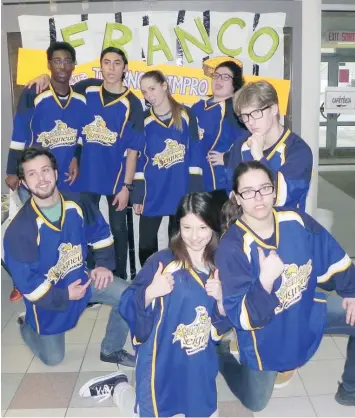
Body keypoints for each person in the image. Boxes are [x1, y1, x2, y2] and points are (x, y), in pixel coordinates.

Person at [215, 160, 355, 411]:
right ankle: (222, 356)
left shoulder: (295, 219)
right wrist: (266, 280)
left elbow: (329, 252)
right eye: (248, 192)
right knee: (256, 402)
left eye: (265, 188)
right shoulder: (231, 247)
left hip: (304, 311)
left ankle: (350, 389)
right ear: (237, 198)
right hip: (266, 335)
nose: (258, 198)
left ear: (274, 191)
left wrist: (351, 290)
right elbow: (244, 316)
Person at [3, 148, 135, 367]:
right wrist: (65, 296)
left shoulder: (78, 202)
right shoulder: (19, 231)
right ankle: (27, 325)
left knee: (129, 294)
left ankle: (111, 349)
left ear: (56, 173)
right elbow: (30, 286)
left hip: (80, 279)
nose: (41, 178)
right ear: (24, 183)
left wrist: (102, 265)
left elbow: (101, 233)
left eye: (45, 170)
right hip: (49, 296)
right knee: (54, 358)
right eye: (32, 174)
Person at [27, 47, 144, 281]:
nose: (111, 68)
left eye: (117, 63)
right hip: (84, 177)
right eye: (107, 62)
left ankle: (118, 279)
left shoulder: (133, 103)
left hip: (115, 180)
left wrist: (127, 187)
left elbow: (133, 151)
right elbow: (59, 85)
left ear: (125, 67)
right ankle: (89, 277)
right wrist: (41, 76)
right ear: (100, 65)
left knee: (118, 231)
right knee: (84, 229)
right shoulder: (87, 89)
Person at [118, 192, 232, 417]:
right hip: (162, 357)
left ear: (213, 227)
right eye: (187, 228)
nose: (195, 237)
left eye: (202, 228)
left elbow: (220, 326)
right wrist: (150, 292)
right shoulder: (162, 262)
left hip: (198, 356)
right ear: (178, 226)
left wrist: (221, 300)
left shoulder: (222, 264)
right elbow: (126, 303)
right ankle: (119, 389)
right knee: (152, 409)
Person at [132, 70, 203, 267]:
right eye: (144, 92)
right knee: (146, 244)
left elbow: (195, 153)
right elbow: (139, 159)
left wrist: (194, 191)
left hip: (179, 189)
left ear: (164, 86)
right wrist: (138, 194)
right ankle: (149, 278)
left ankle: (178, 279)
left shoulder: (186, 115)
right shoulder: (143, 119)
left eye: (152, 89)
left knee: (177, 243)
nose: (149, 96)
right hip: (153, 190)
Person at [6, 42, 85, 196]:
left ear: (73, 66)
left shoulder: (80, 100)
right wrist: (12, 171)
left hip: (67, 177)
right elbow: (19, 132)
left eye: (67, 61)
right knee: (36, 219)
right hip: (35, 176)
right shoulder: (33, 92)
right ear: (49, 65)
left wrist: (76, 157)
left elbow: (81, 134)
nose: (62, 66)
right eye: (57, 61)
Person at [224, 81, 313, 211]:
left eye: (256, 113)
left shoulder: (298, 150)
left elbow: (282, 196)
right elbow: (231, 188)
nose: (250, 122)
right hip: (249, 225)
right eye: (245, 116)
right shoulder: (241, 143)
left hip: (285, 226)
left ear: (273, 109)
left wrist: (259, 157)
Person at [191, 60, 247, 209]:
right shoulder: (198, 106)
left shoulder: (236, 109)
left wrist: (227, 158)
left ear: (235, 83)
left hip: (222, 181)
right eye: (216, 76)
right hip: (197, 179)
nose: (218, 80)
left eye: (225, 77)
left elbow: (248, 141)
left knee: (222, 226)